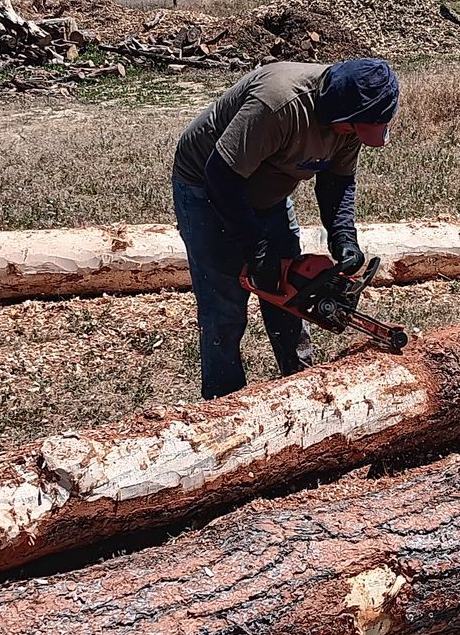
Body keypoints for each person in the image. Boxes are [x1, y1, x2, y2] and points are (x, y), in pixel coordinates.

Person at [170, 58, 399, 399]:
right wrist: (254, 247)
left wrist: (343, 237)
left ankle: (302, 388)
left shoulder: (353, 120)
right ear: (339, 114)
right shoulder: (278, 103)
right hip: (206, 186)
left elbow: (337, 181)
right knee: (225, 307)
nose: (353, 137)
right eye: (352, 128)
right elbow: (221, 175)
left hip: (268, 191)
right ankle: (222, 405)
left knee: (294, 295)